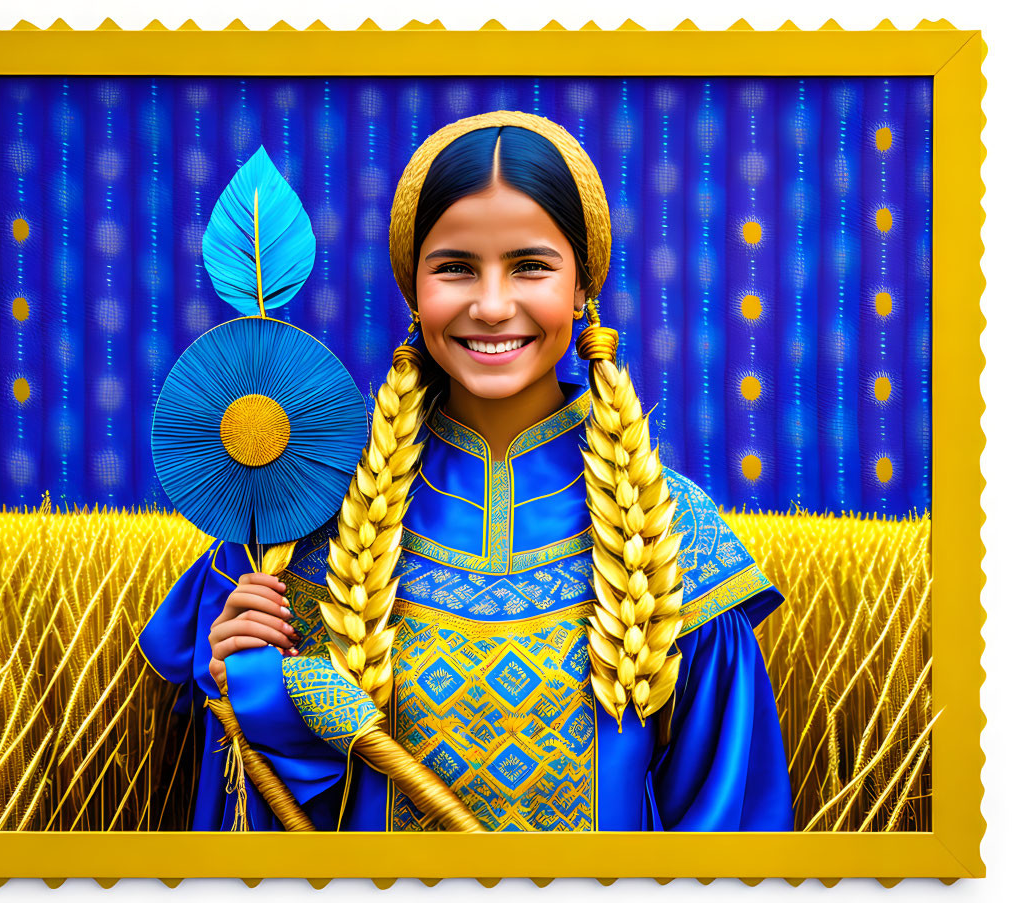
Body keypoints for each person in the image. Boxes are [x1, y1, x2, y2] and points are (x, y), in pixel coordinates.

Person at [139, 111, 794, 832]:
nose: (490, 305)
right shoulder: (309, 514)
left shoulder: (672, 533)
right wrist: (251, 684)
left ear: (583, 286)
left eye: (530, 266)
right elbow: (271, 809)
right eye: (454, 267)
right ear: (413, 291)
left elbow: (724, 827)